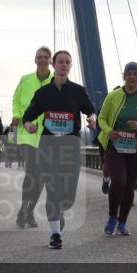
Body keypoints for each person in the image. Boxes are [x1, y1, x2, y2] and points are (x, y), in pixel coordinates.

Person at [22, 50, 97, 249]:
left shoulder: (78, 91)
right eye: (60, 62)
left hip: (70, 145)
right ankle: (55, 234)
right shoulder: (43, 93)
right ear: (53, 65)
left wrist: (92, 118)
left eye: (67, 62)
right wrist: (29, 125)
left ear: (70, 66)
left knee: (68, 194)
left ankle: (60, 210)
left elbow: (90, 110)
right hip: (48, 145)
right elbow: (28, 115)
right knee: (53, 190)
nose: (64, 65)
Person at [97, 63, 137, 236]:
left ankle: (122, 222)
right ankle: (112, 218)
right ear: (123, 76)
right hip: (115, 146)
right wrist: (109, 131)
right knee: (119, 181)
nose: (132, 77)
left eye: (136, 74)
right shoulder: (113, 96)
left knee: (129, 186)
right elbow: (101, 119)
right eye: (129, 73)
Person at [11, 46, 53, 228]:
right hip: (27, 134)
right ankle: (24, 210)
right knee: (31, 173)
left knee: (42, 177)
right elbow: (16, 100)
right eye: (39, 57)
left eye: (46, 57)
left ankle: (28, 211)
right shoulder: (25, 80)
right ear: (35, 60)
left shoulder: (57, 81)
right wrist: (17, 115)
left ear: (50, 61)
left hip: (48, 135)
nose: (43, 60)